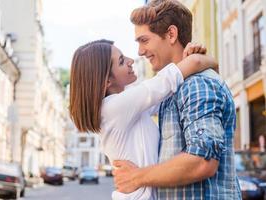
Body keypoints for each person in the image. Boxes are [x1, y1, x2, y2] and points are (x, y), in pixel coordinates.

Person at [112, 0, 242, 199]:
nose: (139, 51)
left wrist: (136, 177)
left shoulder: (196, 84)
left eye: (144, 40)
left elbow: (203, 161)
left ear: (171, 34)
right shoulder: (173, 91)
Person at [69, 39, 217, 200]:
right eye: (121, 61)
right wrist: (210, 62)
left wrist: (186, 59)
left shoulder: (124, 107)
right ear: (107, 81)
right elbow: (172, 77)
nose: (130, 61)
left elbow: (168, 96)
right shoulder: (116, 107)